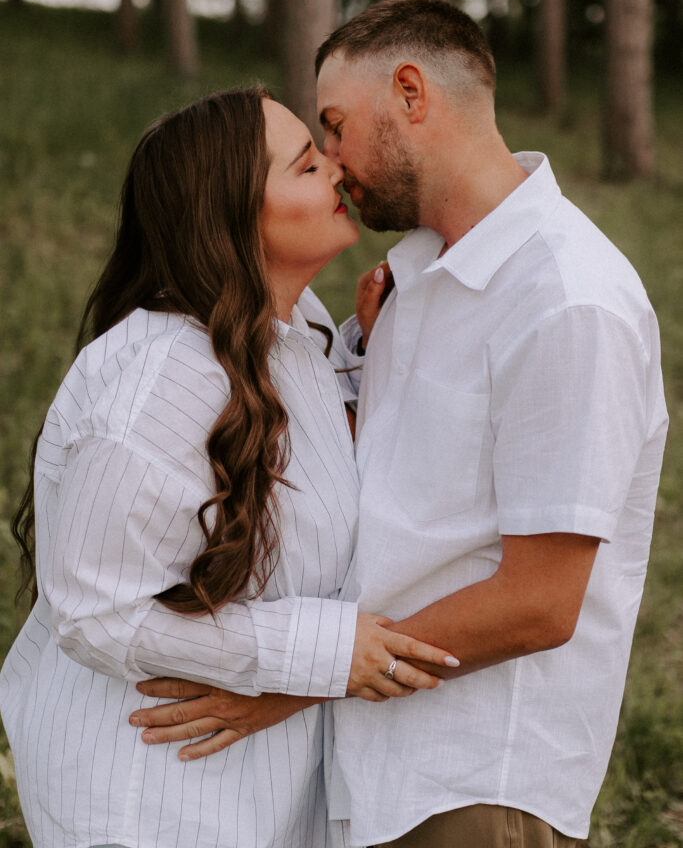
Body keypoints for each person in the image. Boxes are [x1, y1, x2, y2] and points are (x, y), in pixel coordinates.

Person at [130, 0, 668, 848]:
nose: (333, 163)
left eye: (336, 127)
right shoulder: (411, 280)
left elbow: (538, 603)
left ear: (411, 94)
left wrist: (292, 685)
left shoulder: (566, 298)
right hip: (370, 769)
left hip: (474, 778)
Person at [0, 87, 456, 848]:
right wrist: (326, 651)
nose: (337, 172)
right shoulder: (162, 382)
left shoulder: (295, 333)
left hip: (248, 792)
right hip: (143, 797)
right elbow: (97, 611)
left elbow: (303, 478)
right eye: (307, 165)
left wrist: (372, 359)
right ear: (235, 214)